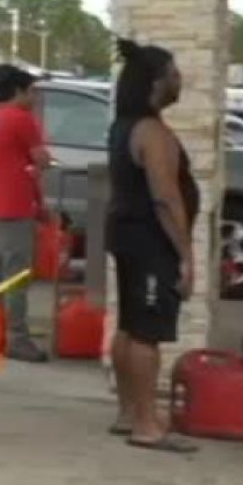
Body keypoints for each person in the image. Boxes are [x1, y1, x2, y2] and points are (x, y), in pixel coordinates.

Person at [107, 39, 200, 454]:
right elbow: (165, 197)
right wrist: (185, 255)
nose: (180, 80)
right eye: (174, 74)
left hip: (129, 235)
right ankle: (146, 425)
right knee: (146, 333)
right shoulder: (151, 132)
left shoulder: (124, 125)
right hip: (149, 241)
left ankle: (130, 413)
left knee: (130, 326)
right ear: (157, 83)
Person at [0, 65, 53, 363]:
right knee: (17, 276)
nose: (35, 97)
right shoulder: (21, 119)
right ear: (18, 91)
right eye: (31, 91)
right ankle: (17, 338)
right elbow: (41, 159)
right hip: (14, 206)